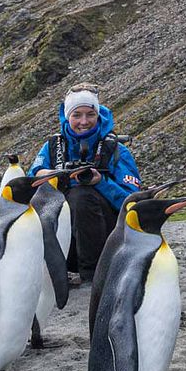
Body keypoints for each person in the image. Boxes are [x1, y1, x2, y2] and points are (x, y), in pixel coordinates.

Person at [28, 83, 143, 284]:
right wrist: (55, 175)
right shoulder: (53, 147)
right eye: (77, 115)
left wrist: (101, 182)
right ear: (67, 116)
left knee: (82, 196)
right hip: (64, 241)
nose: (84, 121)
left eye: (90, 114)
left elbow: (132, 200)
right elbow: (30, 181)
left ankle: (93, 273)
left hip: (105, 241)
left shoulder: (115, 149)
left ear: (98, 115)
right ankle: (55, 267)